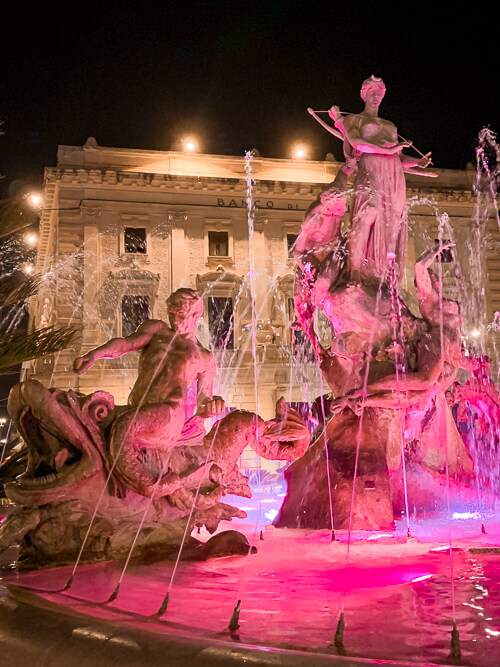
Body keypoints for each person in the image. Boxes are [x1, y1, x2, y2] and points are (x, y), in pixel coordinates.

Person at [74, 288, 225, 496]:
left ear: (195, 315)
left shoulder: (204, 357)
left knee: (126, 426)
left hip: (168, 416)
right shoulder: (156, 330)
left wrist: (210, 408)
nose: (175, 321)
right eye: (171, 315)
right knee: (85, 417)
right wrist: (95, 355)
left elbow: (202, 400)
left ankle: (147, 485)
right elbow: (125, 344)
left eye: (180, 316)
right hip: (138, 409)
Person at [309, 76, 434, 284]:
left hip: (393, 176)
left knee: (390, 226)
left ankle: (383, 276)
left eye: (379, 93)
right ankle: (356, 269)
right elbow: (358, 143)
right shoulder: (353, 120)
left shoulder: (390, 126)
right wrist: (391, 149)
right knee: (367, 214)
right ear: (364, 95)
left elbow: (398, 158)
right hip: (369, 170)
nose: (376, 97)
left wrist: (417, 163)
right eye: (372, 93)